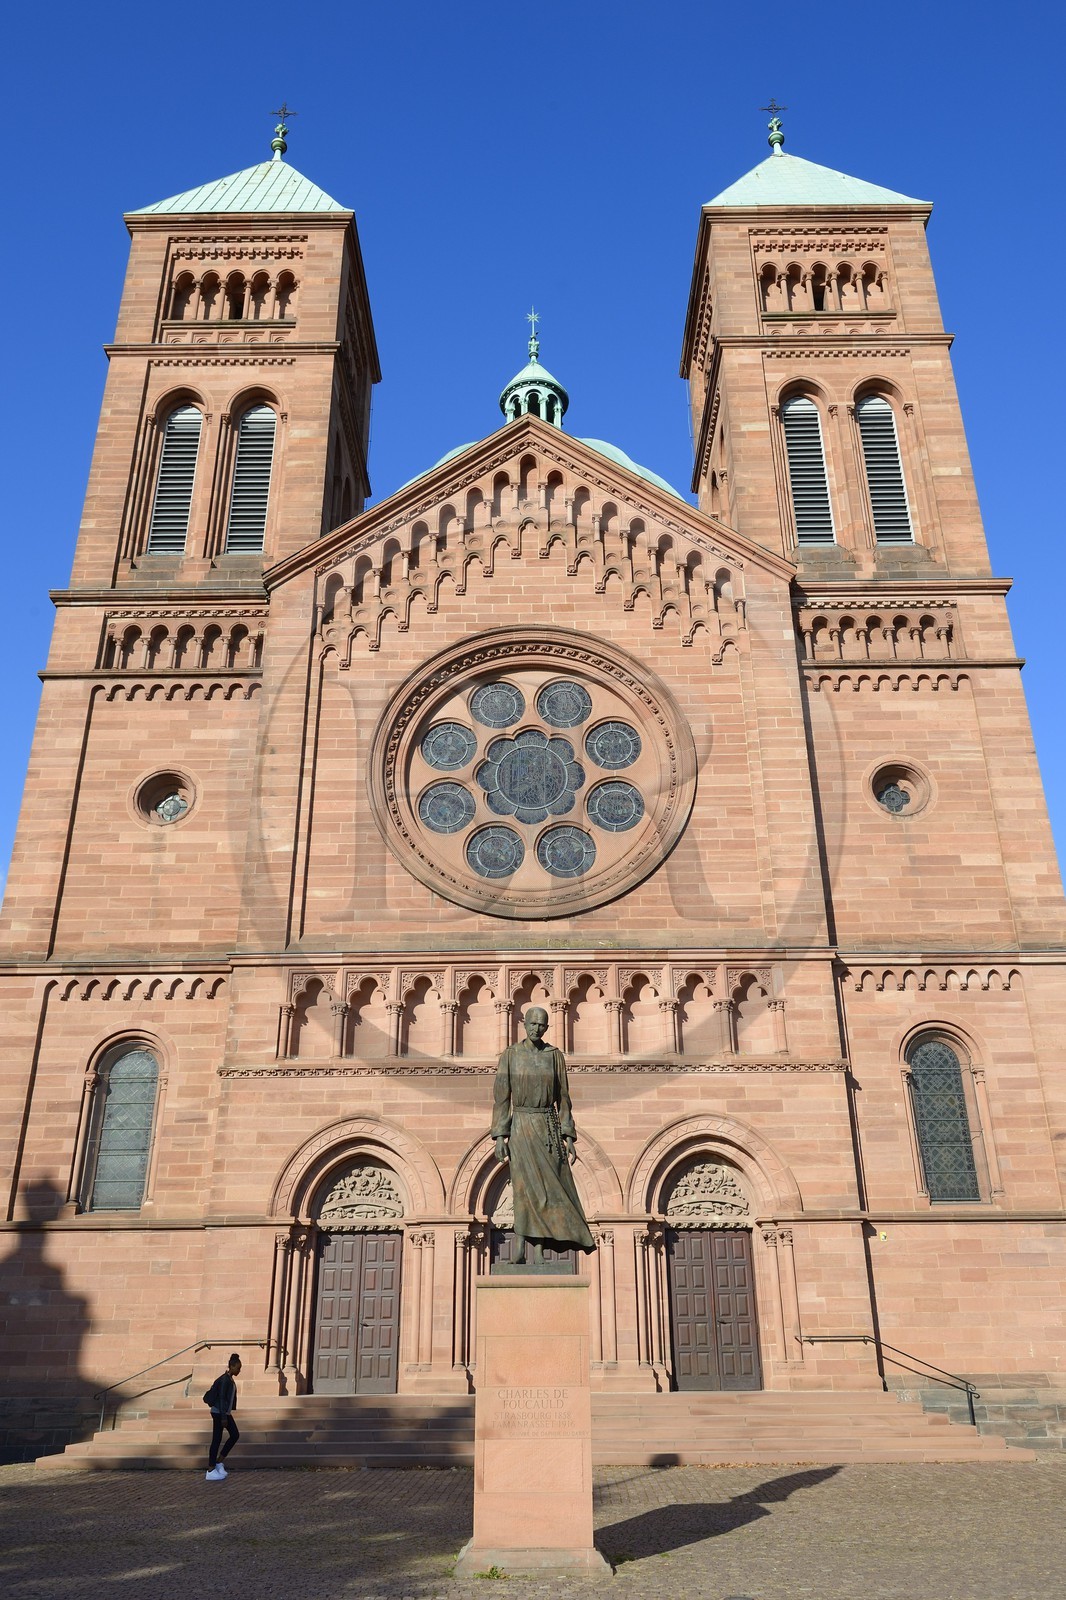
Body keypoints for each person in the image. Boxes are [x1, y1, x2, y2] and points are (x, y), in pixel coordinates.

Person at [491, 1006, 595, 1264]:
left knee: (548, 1191)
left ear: (547, 1028)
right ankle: (520, 1247)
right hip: (522, 1127)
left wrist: (568, 1134)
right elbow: (502, 1097)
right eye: (533, 1024)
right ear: (524, 1024)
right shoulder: (511, 1055)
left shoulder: (553, 1056)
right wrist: (500, 1136)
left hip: (547, 1127)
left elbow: (563, 1097)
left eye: (542, 1025)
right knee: (524, 1189)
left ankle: (538, 1249)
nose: (537, 1029)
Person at [203, 1353, 241, 1480]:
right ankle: (211, 1469)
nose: (239, 1370)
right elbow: (221, 1398)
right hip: (219, 1413)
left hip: (224, 1413)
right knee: (217, 1439)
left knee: (234, 1435)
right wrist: (224, 1417)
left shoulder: (229, 1379)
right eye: (238, 1368)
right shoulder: (225, 1379)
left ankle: (218, 1462)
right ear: (231, 1366)